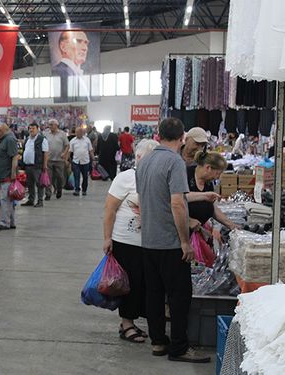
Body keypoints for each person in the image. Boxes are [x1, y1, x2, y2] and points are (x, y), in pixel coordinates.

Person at [136, 117, 210, 363]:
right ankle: (179, 346)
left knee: (154, 294)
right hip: (170, 242)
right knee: (179, 296)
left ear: (159, 134)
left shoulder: (145, 161)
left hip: (148, 240)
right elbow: (177, 203)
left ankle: (158, 341)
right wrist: (185, 242)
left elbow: (146, 198)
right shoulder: (174, 162)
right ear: (182, 138)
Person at [102, 139, 159, 344]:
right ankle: (126, 324)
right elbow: (110, 209)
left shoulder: (157, 177)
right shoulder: (125, 178)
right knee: (129, 284)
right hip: (126, 241)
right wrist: (107, 238)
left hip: (150, 241)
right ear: (138, 157)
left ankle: (132, 322)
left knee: (144, 284)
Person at [187, 151, 239, 232]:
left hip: (197, 231)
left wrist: (232, 226)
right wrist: (188, 220)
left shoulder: (208, 183)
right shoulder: (185, 175)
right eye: (217, 173)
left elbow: (213, 208)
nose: (217, 177)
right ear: (208, 168)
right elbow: (176, 200)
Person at [0, 123, 19, 230]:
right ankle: (10, 222)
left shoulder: (9, 140)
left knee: (5, 199)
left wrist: (13, 173)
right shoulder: (6, 139)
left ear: (2, 131)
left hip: (6, 175)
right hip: (4, 175)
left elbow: (14, 157)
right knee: (8, 200)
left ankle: (4, 222)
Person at [53, 31, 91, 101]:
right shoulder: (58, 72)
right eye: (78, 41)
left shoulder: (76, 73)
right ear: (63, 47)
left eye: (86, 43)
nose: (85, 48)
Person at [21, 123, 49, 208]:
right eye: (30, 128)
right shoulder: (27, 139)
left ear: (37, 129)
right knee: (29, 184)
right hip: (28, 165)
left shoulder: (42, 139)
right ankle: (31, 199)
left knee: (39, 184)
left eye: (33, 128)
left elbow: (46, 152)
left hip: (37, 165)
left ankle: (40, 201)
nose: (31, 130)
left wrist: (44, 165)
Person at [44, 119, 69, 200]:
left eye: (51, 124)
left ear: (56, 125)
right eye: (49, 124)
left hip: (59, 160)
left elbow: (67, 145)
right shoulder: (46, 133)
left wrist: (64, 153)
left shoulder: (62, 134)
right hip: (49, 159)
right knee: (49, 177)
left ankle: (59, 189)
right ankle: (48, 194)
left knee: (60, 177)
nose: (50, 126)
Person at [69, 126, 94, 196]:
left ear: (82, 133)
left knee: (85, 177)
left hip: (85, 161)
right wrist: (66, 160)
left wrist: (93, 159)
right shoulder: (73, 141)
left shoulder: (87, 140)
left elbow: (90, 150)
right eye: (76, 132)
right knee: (76, 176)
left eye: (79, 132)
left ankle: (84, 190)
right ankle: (77, 189)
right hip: (76, 161)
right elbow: (70, 151)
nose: (77, 133)